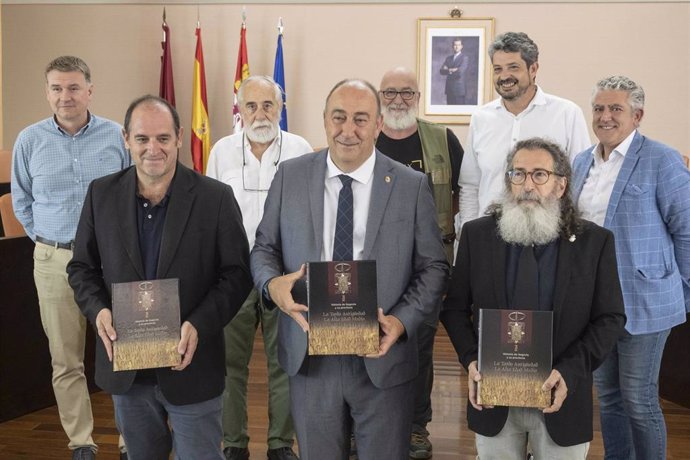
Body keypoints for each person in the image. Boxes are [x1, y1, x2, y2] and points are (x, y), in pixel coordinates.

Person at [250, 79, 449, 460]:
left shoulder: (410, 185)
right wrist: (272, 285)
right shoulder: (290, 176)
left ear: (378, 125)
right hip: (310, 358)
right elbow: (264, 248)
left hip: (382, 356)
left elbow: (434, 267)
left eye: (361, 119)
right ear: (325, 121)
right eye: (338, 117)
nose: (348, 130)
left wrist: (402, 321)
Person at [66, 95, 253, 460]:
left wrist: (199, 324)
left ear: (180, 137)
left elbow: (236, 274)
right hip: (128, 369)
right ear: (126, 139)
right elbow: (81, 268)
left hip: (192, 366)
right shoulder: (100, 194)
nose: (153, 148)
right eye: (142, 139)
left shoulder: (215, 197)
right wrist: (99, 311)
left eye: (163, 138)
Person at [442, 137, 626, 459]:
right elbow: (454, 308)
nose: (528, 184)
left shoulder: (594, 243)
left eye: (539, 175)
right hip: (494, 399)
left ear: (560, 185)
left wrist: (569, 371)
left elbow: (610, 318)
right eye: (518, 174)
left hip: (561, 396)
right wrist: (471, 360)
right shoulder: (477, 235)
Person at [11, 55, 130, 460]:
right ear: (47, 93)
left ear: (90, 91)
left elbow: (133, 195)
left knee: (124, 352)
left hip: (111, 264)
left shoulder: (117, 136)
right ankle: (82, 441)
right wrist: (49, 242)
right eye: (57, 88)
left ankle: (131, 439)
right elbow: (21, 202)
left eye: (74, 87)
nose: (66, 96)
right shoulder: (29, 141)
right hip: (54, 261)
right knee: (66, 360)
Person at [572, 76, 690, 459]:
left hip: (646, 301)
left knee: (639, 399)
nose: (605, 117)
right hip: (597, 306)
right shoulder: (579, 162)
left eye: (615, 109)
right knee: (608, 397)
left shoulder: (662, 159)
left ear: (637, 115)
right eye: (599, 109)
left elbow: (687, 230)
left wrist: (683, 292)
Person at [206, 75, 312, 460]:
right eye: (251, 105)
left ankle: (280, 444)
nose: (260, 113)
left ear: (280, 109)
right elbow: (209, 214)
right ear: (240, 109)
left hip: (284, 275)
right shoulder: (221, 150)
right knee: (231, 364)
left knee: (285, 361)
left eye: (268, 105)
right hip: (233, 273)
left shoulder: (300, 149)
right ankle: (233, 443)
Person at [376, 66, 463, 459]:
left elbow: (461, 199)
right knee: (367, 342)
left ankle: (415, 427)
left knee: (420, 350)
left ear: (419, 96)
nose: (398, 99)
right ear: (379, 96)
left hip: (427, 265)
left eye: (407, 92)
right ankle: (369, 425)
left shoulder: (443, 139)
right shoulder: (365, 135)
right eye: (390, 92)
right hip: (373, 266)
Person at [456, 31, 590, 233]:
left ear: (533, 68)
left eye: (513, 67)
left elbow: (579, 181)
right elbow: (470, 185)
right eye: (498, 69)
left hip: (548, 235)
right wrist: (467, 232)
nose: (504, 76)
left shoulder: (566, 114)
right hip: (489, 237)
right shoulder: (481, 118)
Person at [439, 38, 470, 105]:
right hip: (449, 90)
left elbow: (459, 72)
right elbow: (441, 71)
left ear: (461, 46)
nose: (456, 47)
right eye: (455, 45)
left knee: (459, 113)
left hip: (459, 90)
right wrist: (451, 70)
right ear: (452, 46)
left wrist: (448, 70)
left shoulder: (464, 58)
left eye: (458, 45)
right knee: (449, 113)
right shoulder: (448, 58)